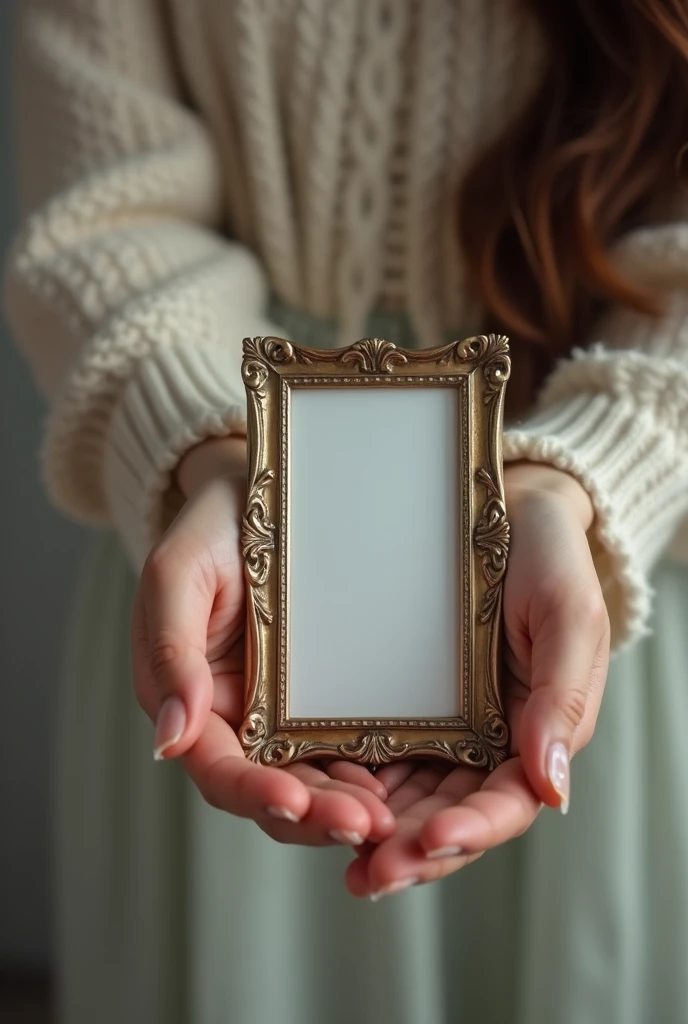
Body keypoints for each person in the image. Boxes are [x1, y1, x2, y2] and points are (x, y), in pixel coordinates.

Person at [5, 1, 688, 1021]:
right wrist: (221, 459)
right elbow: (105, 218)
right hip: (231, 570)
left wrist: (578, 482)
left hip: (573, 576)